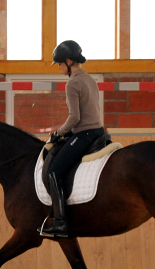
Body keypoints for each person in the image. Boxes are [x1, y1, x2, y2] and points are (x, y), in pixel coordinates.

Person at [39, 40, 107, 238]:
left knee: (53, 171)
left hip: (85, 134)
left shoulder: (73, 83)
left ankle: (60, 222)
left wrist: (58, 132)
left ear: (68, 61)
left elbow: (75, 117)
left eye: (60, 64)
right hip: (97, 131)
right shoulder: (90, 80)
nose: (59, 68)